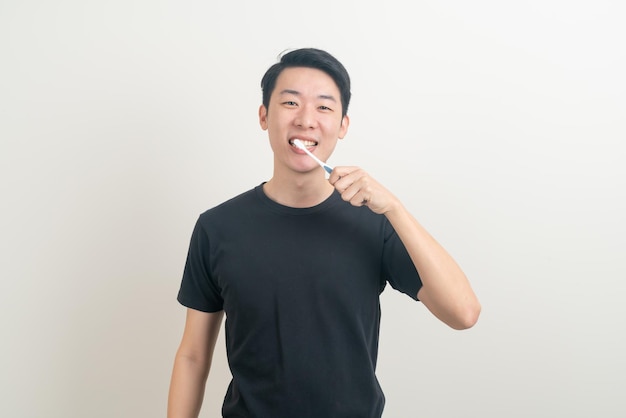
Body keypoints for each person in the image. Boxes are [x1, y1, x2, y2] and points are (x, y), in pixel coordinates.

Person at [167, 48, 481, 418]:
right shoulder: (217, 227)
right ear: (264, 116)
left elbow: (463, 313)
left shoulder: (374, 222)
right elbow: (192, 355)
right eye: (290, 103)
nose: (306, 120)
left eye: (324, 107)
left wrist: (394, 207)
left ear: (343, 125)